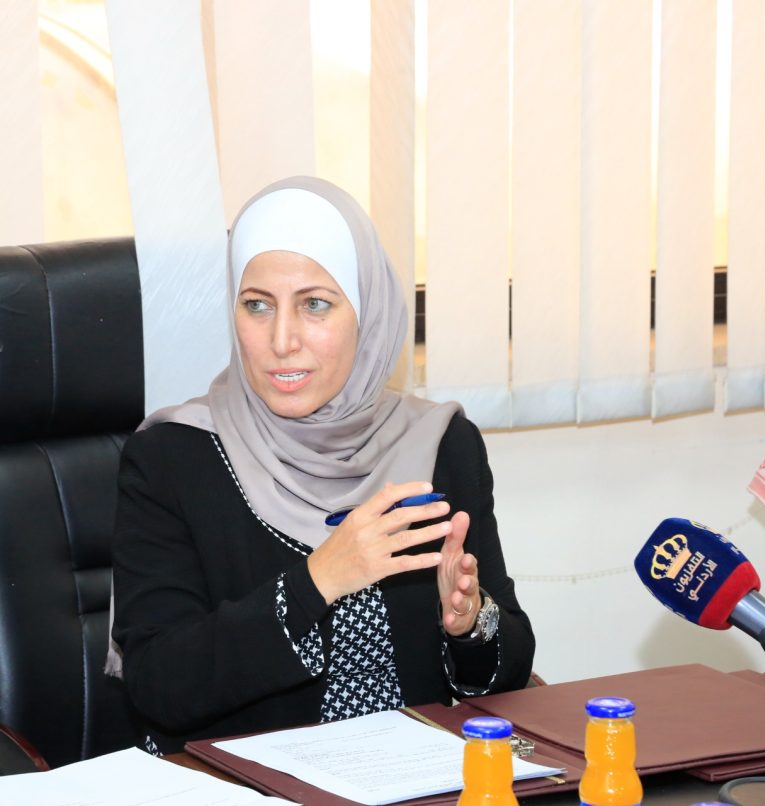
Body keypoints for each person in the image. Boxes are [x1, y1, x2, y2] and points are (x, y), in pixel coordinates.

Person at [111, 176, 535, 755]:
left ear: (366, 312)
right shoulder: (173, 457)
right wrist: (317, 582)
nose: (282, 340)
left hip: (418, 777)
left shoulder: (439, 444)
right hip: (248, 784)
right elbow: (159, 685)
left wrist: (470, 623)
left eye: (314, 304)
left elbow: (509, 670)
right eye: (257, 305)